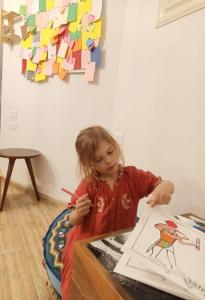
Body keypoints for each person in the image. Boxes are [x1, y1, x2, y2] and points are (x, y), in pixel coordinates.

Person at [61, 125, 175, 299]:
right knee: (80, 284)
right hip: (89, 244)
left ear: (115, 146)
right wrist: (78, 212)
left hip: (121, 244)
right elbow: (72, 220)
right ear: (88, 163)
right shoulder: (89, 184)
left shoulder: (132, 176)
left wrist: (164, 188)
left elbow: (164, 183)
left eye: (110, 151)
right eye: (99, 159)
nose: (108, 160)